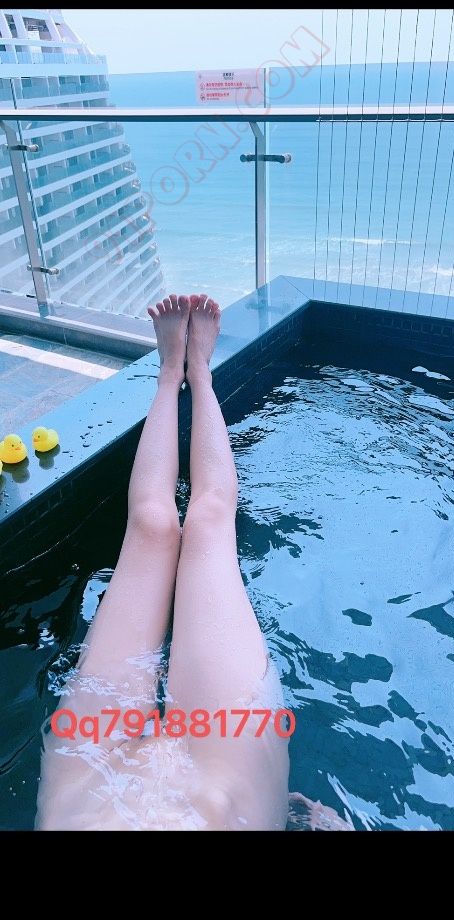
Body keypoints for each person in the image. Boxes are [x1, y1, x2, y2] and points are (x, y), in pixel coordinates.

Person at [36, 294, 290, 831]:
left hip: (86, 795)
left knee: (153, 526)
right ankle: (196, 374)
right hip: (225, 801)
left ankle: (173, 372)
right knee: (207, 523)